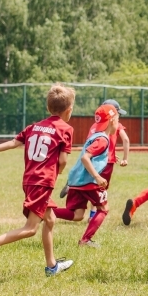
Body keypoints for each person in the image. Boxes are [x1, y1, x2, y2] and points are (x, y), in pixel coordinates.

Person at [0, 85, 76, 277]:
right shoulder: (66, 129)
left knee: (50, 219)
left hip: (29, 180)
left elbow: (13, 143)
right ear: (69, 110)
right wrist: (58, 172)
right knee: (30, 229)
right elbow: (62, 160)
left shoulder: (34, 127)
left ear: (48, 107)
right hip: (42, 183)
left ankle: (52, 266)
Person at [52, 104, 119, 247]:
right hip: (89, 182)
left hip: (76, 180)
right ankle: (85, 240)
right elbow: (85, 158)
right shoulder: (102, 140)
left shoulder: (96, 136)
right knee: (103, 209)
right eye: (117, 120)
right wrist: (97, 177)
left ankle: (48, 212)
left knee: (78, 215)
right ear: (112, 121)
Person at [78, 98, 130, 225]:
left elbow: (89, 144)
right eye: (117, 114)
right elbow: (126, 140)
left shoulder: (95, 126)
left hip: (93, 160)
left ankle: (90, 212)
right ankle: (94, 215)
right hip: (107, 161)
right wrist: (125, 158)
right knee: (100, 189)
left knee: (92, 186)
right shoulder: (116, 125)